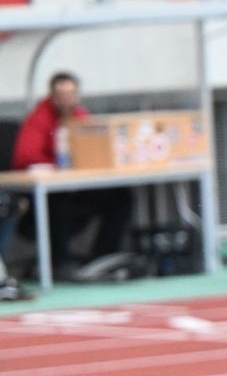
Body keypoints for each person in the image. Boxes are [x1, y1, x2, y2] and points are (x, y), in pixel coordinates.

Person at [10, 72, 134, 278]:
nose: (67, 98)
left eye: (72, 93)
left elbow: (93, 149)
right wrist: (56, 167)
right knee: (57, 201)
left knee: (120, 197)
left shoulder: (80, 117)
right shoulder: (39, 119)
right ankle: (60, 264)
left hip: (76, 187)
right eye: (62, 93)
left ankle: (102, 258)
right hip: (44, 196)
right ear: (53, 96)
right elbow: (25, 156)